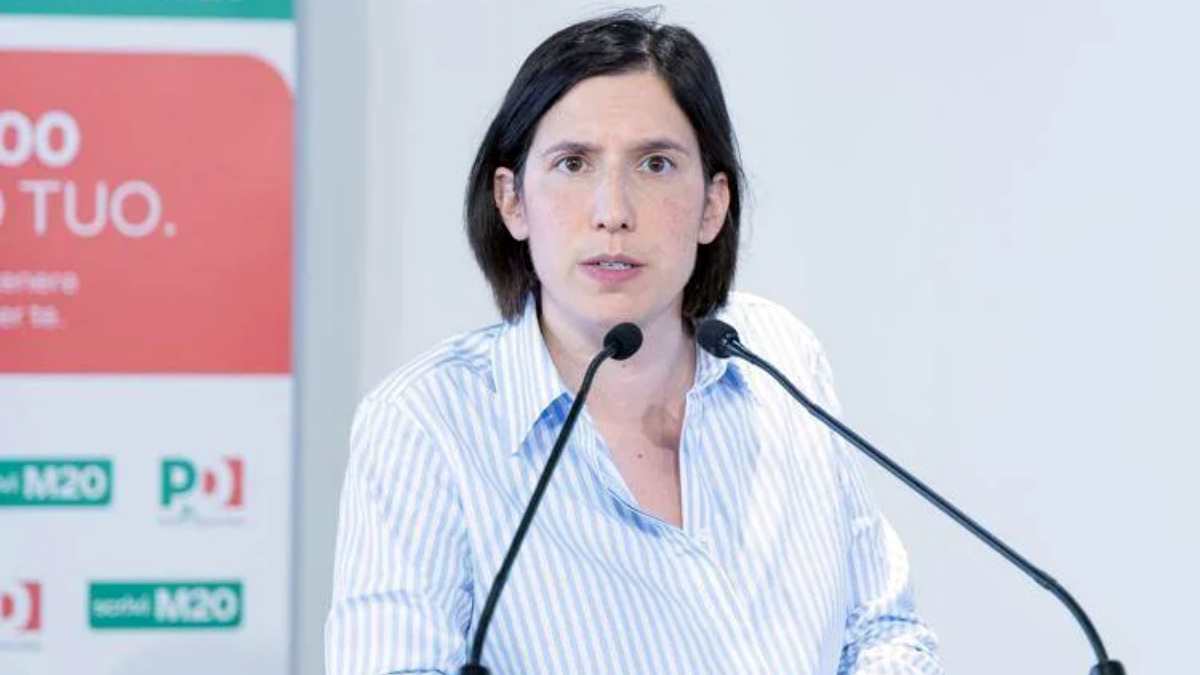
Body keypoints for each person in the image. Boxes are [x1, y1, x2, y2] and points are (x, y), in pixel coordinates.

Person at [326, 10, 943, 674]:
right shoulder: (425, 423)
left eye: (655, 164)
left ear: (712, 205)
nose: (613, 211)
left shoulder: (781, 358)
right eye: (573, 164)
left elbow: (884, 629)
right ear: (512, 202)